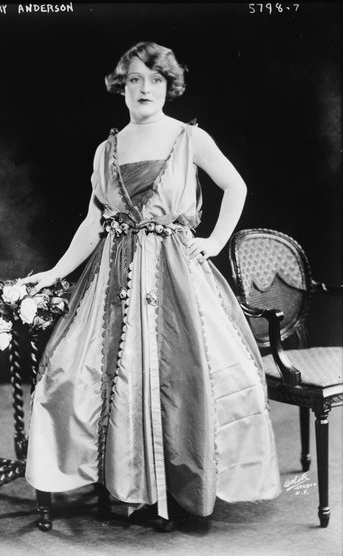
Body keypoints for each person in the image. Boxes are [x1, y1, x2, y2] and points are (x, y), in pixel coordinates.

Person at [20, 41, 281, 531]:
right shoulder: (107, 150)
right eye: (135, 79)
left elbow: (236, 186)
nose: (145, 89)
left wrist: (215, 241)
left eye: (156, 80)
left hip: (175, 275)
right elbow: (93, 222)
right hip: (114, 276)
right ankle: (131, 487)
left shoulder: (189, 138)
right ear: (121, 86)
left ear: (169, 86)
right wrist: (55, 272)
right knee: (86, 374)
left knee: (187, 377)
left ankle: (179, 489)